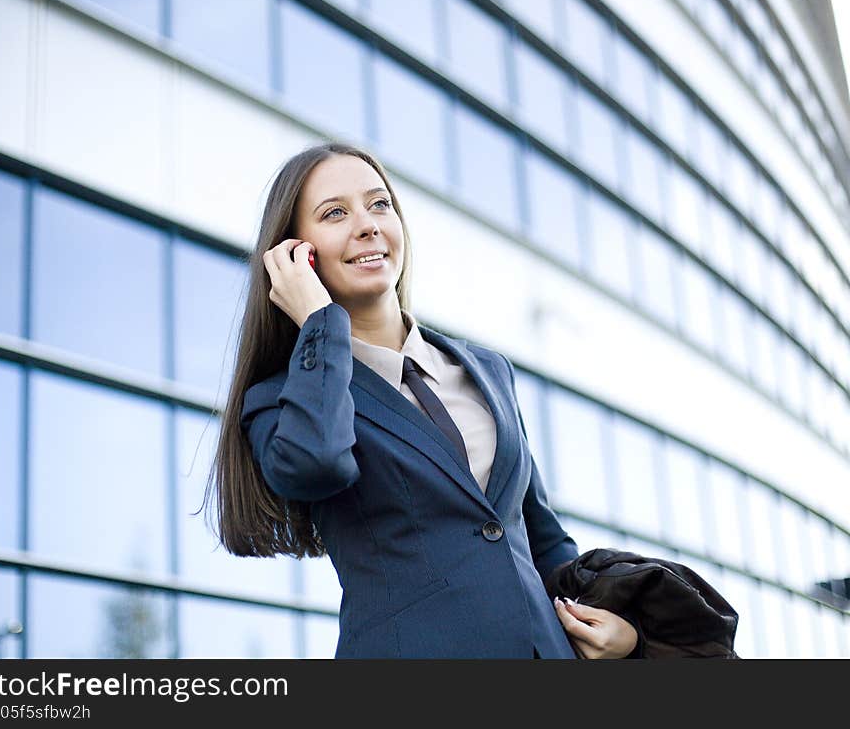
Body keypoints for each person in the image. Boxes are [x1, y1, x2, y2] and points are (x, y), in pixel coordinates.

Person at [205, 141, 638, 659]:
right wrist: (320, 324)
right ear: (295, 253)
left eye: (379, 204)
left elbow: (541, 539)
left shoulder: (488, 371)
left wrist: (613, 628)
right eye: (335, 213)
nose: (367, 224)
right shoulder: (281, 398)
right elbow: (316, 464)